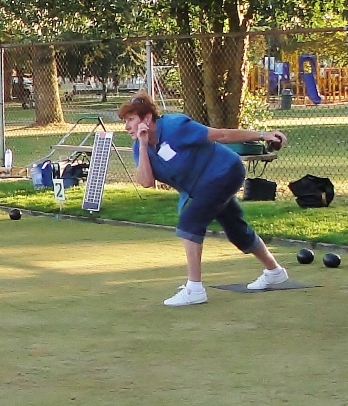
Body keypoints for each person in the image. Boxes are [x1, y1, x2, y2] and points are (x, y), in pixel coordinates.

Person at [119, 93, 289, 307]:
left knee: (190, 222)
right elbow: (145, 182)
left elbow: (221, 135)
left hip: (226, 171)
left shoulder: (176, 126)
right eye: (125, 121)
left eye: (130, 119)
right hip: (201, 187)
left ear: (146, 119)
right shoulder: (139, 148)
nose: (126, 127)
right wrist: (143, 146)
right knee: (235, 228)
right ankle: (274, 271)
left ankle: (195, 288)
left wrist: (263, 135)